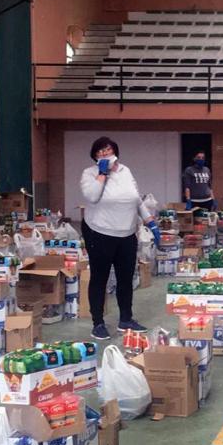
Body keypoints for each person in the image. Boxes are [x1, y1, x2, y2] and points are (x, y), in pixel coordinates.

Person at [79, 136, 161, 340]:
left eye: (108, 150)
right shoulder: (89, 174)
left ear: (115, 151)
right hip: (100, 233)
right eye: (100, 152)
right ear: (94, 156)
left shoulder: (126, 171)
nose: (105, 154)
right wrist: (102, 173)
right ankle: (97, 322)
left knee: (126, 277)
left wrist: (150, 221)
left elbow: (136, 199)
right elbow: (92, 196)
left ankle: (126, 319)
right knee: (100, 278)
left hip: (126, 234)